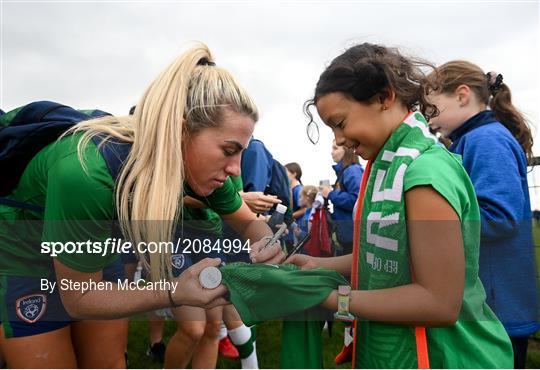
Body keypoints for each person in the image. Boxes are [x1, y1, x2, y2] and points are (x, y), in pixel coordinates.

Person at [0, 42, 284, 368]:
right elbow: (79, 297)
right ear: (180, 131)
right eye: (229, 149)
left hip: (92, 247)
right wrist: (176, 291)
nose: (236, 168)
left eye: (241, 152)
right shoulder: (87, 170)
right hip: (23, 250)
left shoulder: (209, 168)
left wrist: (264, 242)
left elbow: (249, 222)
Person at [289, 42, 513, 368]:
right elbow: (384, 255)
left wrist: (334, 300)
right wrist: (318, 266)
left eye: (340, 122)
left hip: (448, 357)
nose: (338, 139)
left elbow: (438, 302)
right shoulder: (389, 167)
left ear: (384, 97)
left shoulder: (423, 174)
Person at [426, 60, 539, 368]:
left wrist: (430, 228)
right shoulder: (471, 140)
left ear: (462, 95)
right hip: (490, 303)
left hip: (498, 307)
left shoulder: (487, 140)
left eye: (432, 108)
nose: (427, 119)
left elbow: (499, 218)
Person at [319, 141, 363, 255]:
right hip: (347, 235)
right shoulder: (344, 172)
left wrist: (330, 193)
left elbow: (357, 201)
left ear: (347, 150)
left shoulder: (352, 170)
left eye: (335, 148)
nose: (331, 152)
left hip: (353, 236)